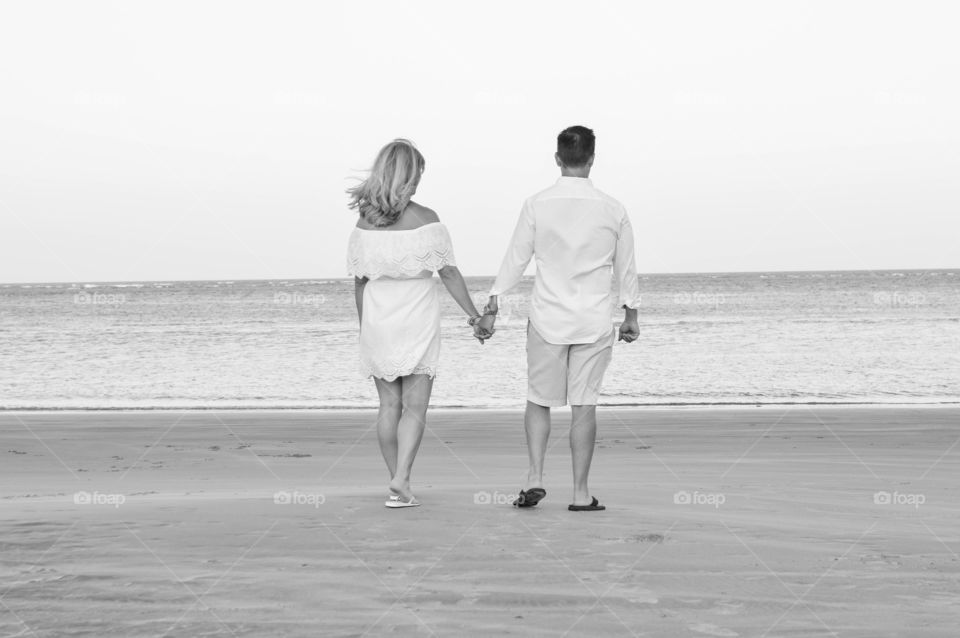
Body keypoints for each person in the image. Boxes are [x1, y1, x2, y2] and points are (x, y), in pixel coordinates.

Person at [479, 125, 640, 512]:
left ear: (557, 158)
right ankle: (581, 494)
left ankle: (535, 476)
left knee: (539, 400)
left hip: (548, 318)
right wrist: (631, 316)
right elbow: (627, 268)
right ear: (592, 158)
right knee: (584, 405)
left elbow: (516, 258)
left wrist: (492, 306)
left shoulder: (537, 203)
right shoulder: (613, 208)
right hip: (594, 320)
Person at [347, 139, 492, 508]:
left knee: (388, 407)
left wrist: (366, 330)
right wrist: (475, 317)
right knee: (414, 407)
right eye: (417, 175)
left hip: (378, 318)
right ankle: (402, 479)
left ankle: (397, 483)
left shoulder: (363, 225)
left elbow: (359, 283)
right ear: (407, 175)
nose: (418, 183)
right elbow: (450, 274)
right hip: (416, 315)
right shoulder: (427, 219)